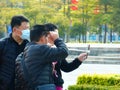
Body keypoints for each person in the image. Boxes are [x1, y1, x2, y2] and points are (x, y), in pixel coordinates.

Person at [18, 24, 68, 90]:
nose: (47, 40)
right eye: (46, 37)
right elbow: (64, 52)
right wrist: (57, 39)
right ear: (42, 38)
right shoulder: (41, 49)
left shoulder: (24, 53)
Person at [44, 23, 88, 90]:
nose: (57, 37)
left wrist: (78, 60)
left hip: (57, 85)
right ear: (49, 34)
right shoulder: (40, 49)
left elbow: (66, 67)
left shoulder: (57, 50)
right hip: (44, 86)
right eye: (56, 34)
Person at [0, 15, 30, 90]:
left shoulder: (30, 46)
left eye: (28, 28)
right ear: (15, 30)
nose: (28, 31)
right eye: (25, 29)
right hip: (5, 86)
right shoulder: (3, 45)